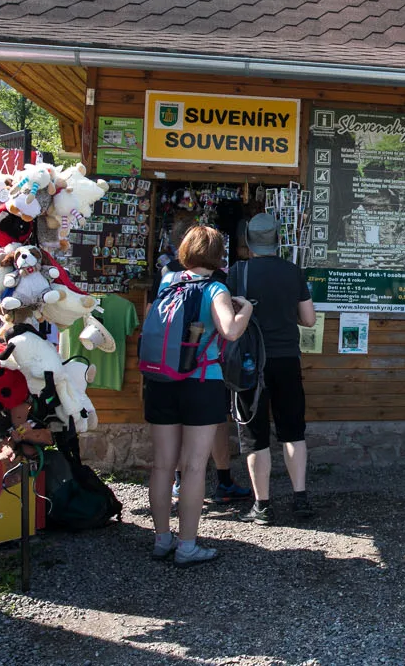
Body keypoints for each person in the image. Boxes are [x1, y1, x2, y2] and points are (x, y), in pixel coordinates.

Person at [145, 225, 253, 565]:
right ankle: (188, 546)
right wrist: (246, 308)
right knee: (193, 467)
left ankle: (162, 538)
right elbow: (230, 331)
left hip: (160, 380)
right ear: (218, 255)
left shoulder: (166, 282)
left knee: (163, 465)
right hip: (201, 381)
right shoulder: (216, 288)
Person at [229, 213, 319, 524]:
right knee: (293, 430)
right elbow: (309, 320)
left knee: (256, 436)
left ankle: (262, 506)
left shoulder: (237, 272)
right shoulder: (293, 272)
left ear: (249, 243)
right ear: (277, 241)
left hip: (250, 363)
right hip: (286, 360)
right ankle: (300, 498)